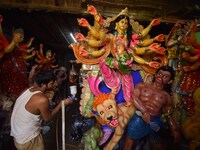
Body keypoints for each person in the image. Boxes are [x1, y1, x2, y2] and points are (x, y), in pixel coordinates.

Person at [10, 70, 73, 150]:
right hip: (28, 139)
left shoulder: (28, 90)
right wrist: (61, 104)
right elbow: (47, 118)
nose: (54, 84)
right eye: (52, 83)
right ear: (43, 85)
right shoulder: (42, 99)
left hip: (17, 136)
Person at [124, 66, 180, 150]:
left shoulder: (166, 96)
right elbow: (134, 98)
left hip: (155, 120)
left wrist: (174, 129)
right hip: (141, 116)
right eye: (160, 74)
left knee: (161, 143)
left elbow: (168, 114)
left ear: (170, 81)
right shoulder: (142, 86)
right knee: (131, 133)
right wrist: (144, 111)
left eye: (165, 76)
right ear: (156, 74)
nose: (160, 77)